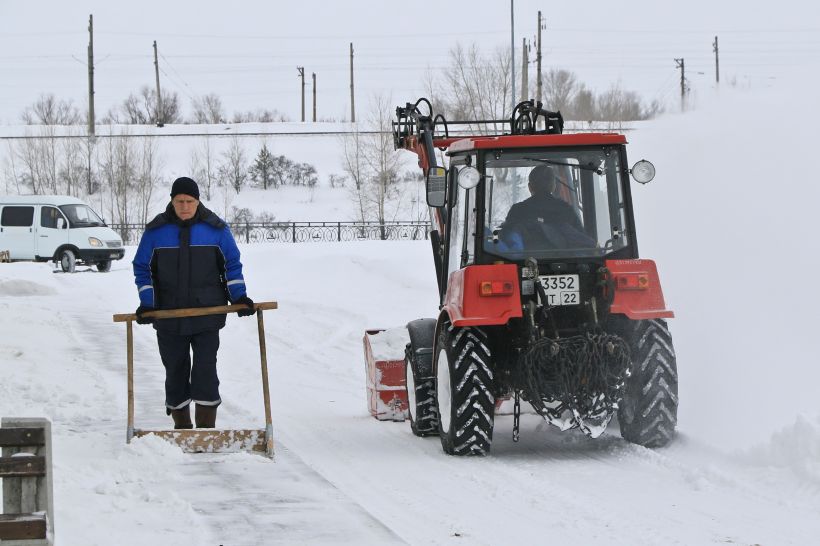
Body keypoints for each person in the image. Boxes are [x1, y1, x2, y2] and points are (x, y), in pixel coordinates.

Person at [132, 176, 255, 430]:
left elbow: (232, 264)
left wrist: (239, 297)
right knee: (175, 371)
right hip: (168, 316)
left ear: (198, 201)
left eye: (189, 201)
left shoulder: (217, 230)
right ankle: (183, 429)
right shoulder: (156, 232)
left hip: (207, 315)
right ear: (172, 201)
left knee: (205, 370)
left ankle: (206, 430)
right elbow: (141, 267)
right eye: (179, 201)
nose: (184, 206)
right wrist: (148, 303)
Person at [500, 164, 592, 250]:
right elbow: (582, 243)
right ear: (553, 186)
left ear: (530, 187)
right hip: (566, 265)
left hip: (523, 265)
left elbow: (505, 240)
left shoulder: (517, 210)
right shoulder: (566, 210)